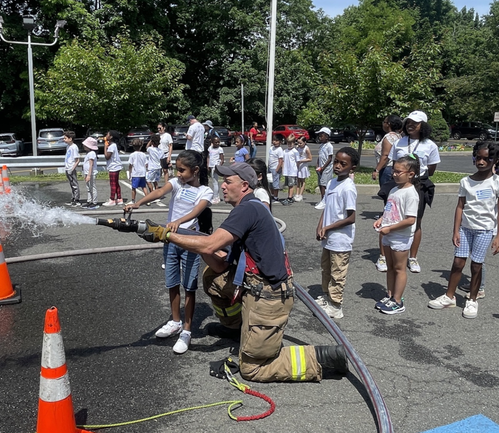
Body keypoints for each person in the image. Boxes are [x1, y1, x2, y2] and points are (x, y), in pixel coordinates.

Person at [139, 161, 347, 381]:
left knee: (252, 369)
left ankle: (323, 358)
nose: (223, 186)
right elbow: (219, 264)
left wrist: (166, 235)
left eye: (229, 181)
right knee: (213, 277)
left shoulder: (248, 209)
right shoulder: (245, 207)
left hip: (270, 295)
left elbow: (210, 245)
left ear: (245, 185)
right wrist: (197, 240)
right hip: (253, 284)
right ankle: (237, 328)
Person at [126, 150, 213, 354]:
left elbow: (197, 211)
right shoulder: (176, 183)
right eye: (177, 169)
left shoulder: (205, 191)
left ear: (196, 170)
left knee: (189, 286)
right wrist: (138, 203)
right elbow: (159, 192)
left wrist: (178, 222)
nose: (178, 173)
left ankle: (187, 331)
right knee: (172, 283)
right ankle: (175, 321)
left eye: (182, 170)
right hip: (170, 240)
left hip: (191, 241)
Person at [428, 141, 499, 319]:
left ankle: (472, 299)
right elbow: (460, 207)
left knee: (476, 265)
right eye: (478, 158)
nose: (481, 162)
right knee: (458, 262)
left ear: (495, 160)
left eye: (486, 159)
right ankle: (449, 297)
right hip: (465, 229)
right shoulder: (466, 181)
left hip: (484, 230)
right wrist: (455, 230)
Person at [389, 111, 441, 273]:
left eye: (415, 123)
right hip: (398, 184)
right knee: (392, 217)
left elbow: (431, 169)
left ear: (423, 126)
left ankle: (413, 257)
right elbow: (393, 163)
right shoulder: (399, 143)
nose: (411, 125)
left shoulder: (430, 145)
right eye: (408, 122)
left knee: (416, 221)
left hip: (419, 184)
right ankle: (388, 253)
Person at [315, 147, 359, 320]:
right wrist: (320, 226)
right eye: (336, 162)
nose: (338, 166)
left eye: (343, 163)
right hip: (328, 237)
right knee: (326, 269)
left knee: (338, 272)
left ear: (352, 168)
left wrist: (328, 227)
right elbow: (326, 207)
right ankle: (327, 297)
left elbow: (351, 218)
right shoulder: (333, 182)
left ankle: (336, 305)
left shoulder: (348, 188)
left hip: (341, 240)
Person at [373, 156, 420, 315]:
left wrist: (390, 228)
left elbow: (410, 220)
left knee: (399, 268)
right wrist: (381, 219)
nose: (394, 174)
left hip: (400, 236)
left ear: (411, 174)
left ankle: (398, 301)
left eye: (398, 171)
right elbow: (390, 209)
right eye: (394, 170)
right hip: (389, 233)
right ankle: (390, 294)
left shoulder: (411, 194)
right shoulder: (394, 189)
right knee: (390, 267)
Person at [372, 115, 403, 271]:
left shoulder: (388, 137)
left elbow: (385, 156)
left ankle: (385, 251)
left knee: (388, 205)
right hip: (396, 169)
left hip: (388, 170)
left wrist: (377, 170)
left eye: (384, 122)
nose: (383, 124)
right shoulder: (400, 136)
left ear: (389, 124)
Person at [103, 130, 124, 207]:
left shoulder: (111, 146)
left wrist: (105, 148)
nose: (106, 135)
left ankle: (112, 199)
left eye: (107, 134)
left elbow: (107, 157)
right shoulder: (113, 145)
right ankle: (119, 198)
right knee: (116, 183)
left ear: (111, 137)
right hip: (116, 166)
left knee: (113, 184)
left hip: (113, 167)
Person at [315, 128, 334, 210]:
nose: (320, 137)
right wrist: (317, 165)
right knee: (320, 183)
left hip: (326, 169)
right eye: (319, 136)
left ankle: (325, 201)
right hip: (321, 168)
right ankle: (322, 200)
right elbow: (319, 157)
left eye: (321, 136)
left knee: (324, 185)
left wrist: (323, 168)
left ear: (327, 136)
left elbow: (330, 158)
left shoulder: (329, 146)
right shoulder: (321, 145)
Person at [63, 130, 80, 206]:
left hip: (71, 168)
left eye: (65, 138)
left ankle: (77, 199)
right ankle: (73, 198)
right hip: (67, 167)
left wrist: (72, 169)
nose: (64, 140)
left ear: (70, 139)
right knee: (71, 184)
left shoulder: (74, 147)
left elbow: (77, 160)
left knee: (74, 184)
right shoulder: (68, 146)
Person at [82, 136, 99, 209]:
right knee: (88, 187)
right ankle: (89, 200)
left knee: (92, 187)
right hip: (87, 173)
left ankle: (94, 202)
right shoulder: (89, 153)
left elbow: (91, 165)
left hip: (91, 173)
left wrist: (89, 175)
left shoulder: (92, 153)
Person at [207, 133, 224, 204]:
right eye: (215, 142)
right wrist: (208, 165)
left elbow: (222, 159)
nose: (217, 143)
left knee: (215, 182)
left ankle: (216, 197)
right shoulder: (210, 148)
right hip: (211, 166)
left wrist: (219, 165)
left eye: (218, 142)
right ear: (212, 143)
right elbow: (208, 157)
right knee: (213, 181)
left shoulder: (220, 149)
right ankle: (216, 196)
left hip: (216, 166)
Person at [281, 134, 298, 204]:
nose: (290, 144)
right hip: (286, 171)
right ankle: (289, 196)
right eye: (288, 143)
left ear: (294, 143)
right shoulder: (285, 151)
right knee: (288, 185)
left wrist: (296, 169)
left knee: (291, 185)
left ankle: (290, 197)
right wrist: (283, 168)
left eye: (291, 143)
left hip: (292, 171)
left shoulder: (295, 151)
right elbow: (283, 160)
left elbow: (298, 161)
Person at [294, 137, 312, 202]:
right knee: (298, 180)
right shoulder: (297, 148)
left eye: (300, 143)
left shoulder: (306, 149)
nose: (299, 144)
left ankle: (301, 194)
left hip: (303, 166)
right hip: (298, 165)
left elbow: (310, 158)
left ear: (305, 142)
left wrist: (301, 161)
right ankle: (297, 193)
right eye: (298, 143)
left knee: (302, 181)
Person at [268, 136, 284, 201]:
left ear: (280, 142)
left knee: (275, 183)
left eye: (276, 141)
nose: (274, 142)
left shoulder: (280, 150)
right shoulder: (271, 148)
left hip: (275, 168)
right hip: (270, 168)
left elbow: (280, 161)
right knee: (270, 183)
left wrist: (277, 169)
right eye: (274, 140)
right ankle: (272, 195)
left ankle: (275, 197)